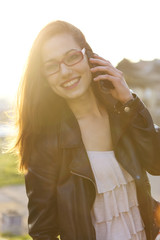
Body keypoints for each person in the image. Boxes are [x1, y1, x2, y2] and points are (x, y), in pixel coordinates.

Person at [14, 20, 160, 240]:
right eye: (52, 66)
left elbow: (156, 163)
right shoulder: (45, 142)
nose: (64, 71)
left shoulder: (122, 112)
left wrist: (130, 101)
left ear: (89, 57)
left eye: (72, 57)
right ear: (44, 78)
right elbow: (43, 231)